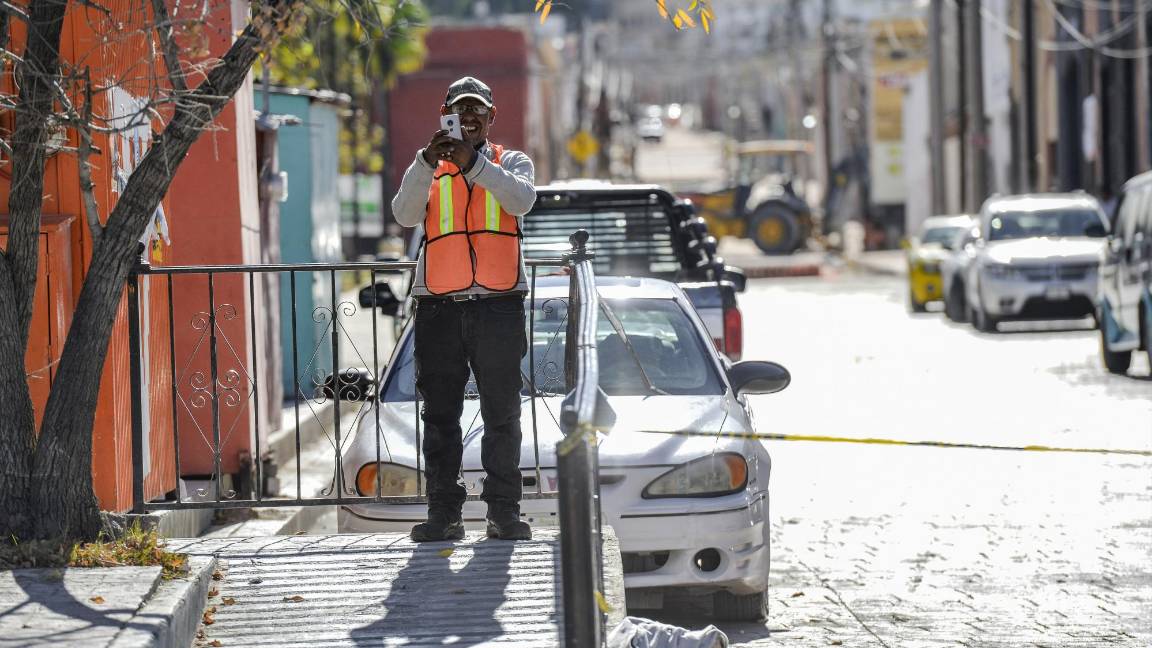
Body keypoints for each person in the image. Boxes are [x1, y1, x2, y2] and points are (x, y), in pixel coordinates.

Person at [391, 76, 537, 542]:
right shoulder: (428, 165)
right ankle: (443, 512)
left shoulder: (510, 162)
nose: (469, 117)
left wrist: (472, 163)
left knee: (501, 414)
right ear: (446, 115)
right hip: (440, 307)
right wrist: (424, 162)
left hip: (498, 306)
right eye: (460, 110)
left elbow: (522, 200)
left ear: (491, 117)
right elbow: (404, 214)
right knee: (439, 415)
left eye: (477, 110)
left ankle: (503, 512)